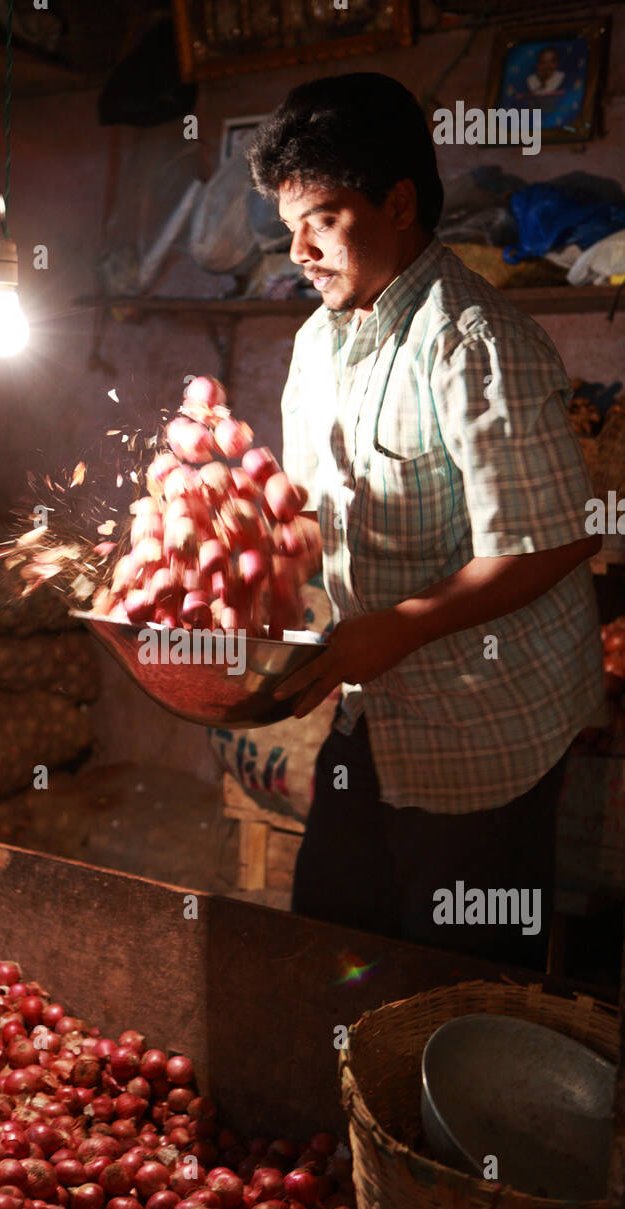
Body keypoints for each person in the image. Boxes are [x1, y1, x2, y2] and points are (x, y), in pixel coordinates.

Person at [246, 74, 603, 969]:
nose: (300, 250)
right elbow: (319, 509)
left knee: (463, 975)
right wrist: (262, 546)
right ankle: (348, 1100)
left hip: (489, 727)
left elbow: (557, 538)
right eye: (289, 225)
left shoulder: (473, 340)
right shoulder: (318, 342)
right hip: (374, 706)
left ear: (399, 202)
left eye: (322, 218)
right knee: (334, 934)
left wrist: (395, 632)